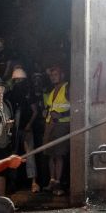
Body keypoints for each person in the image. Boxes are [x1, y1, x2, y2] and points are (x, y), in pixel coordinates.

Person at [8, 67, 42, 193]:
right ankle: (12, 182)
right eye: (17, 81)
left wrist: (28, 124)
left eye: (19, 80)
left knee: (29, 154)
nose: (18, 83)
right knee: (14, 155)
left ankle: (34, 182)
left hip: (25, 129)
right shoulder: (12, 94)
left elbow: (35, 111)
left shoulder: (28, 93)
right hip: (16, 129)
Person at [42, 64, 70, 196]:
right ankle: (52, 181)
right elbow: (50, 108)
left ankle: (58, 182)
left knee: (59, 154)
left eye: (56, 74)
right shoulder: (52, 91)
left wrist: (62, 115)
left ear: (62, 75)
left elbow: (78, 107)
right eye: (51, 75)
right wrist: (45, 112)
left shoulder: (67, 88)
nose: (53, 77)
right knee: (50, 154)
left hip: (61, 126)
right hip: (49, 126)